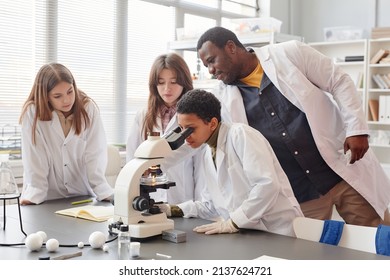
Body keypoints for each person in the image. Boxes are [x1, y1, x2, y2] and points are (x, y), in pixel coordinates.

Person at [195, 26, 390, 227]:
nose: (210, 70)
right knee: (309, 253)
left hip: (342, 170)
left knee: (378, 239)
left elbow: (339, 81)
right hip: (299, 192)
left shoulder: (290, 53)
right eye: (206, 65)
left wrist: (356, 129)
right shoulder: (222, 99)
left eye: (212, 60)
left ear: (230, 47)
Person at [159, 89, 303, 237]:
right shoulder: (208, 152)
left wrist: (233, 222)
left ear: (212, 123)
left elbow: (267, 185)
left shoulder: (241, 135)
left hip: (276, 230)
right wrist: (172, 209)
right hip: (249, 234)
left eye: (190, 129)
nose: (185, 137)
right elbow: (211, 205)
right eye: (181, 129)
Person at [19, 63, 114, 205]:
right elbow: (34, 158)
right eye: (57, 96)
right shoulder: (33, 113)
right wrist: (35, 193)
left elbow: (95, 154)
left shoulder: (88, 108)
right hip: (47, 199)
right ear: (46, 97)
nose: (66, 100)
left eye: (70, 91)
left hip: (82, 195)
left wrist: (102, 189)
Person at [126, 53, 203, 204]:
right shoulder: (143, 115)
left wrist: (200, 204)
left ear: (184, 82)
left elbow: (201, 167)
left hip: (184, 200)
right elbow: (132, 157)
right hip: (149, 199)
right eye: (161, 82)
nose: (167, 89)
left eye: (174, 82)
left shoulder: (195, 117)